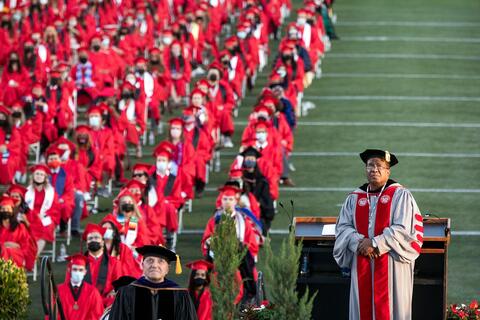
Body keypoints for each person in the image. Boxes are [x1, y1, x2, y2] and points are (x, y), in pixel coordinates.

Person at [333, 149, 424, 320]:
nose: (374, 169)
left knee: (392, 311)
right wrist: (360, 243)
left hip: (391, 264)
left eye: (379, 166)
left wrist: (375, 243)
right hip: (362, 260)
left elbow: (404, 229)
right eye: (370, 165)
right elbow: (343, 228)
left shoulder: (400, 195)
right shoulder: (354, 197)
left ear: (388, 171)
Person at [109, 245, 197, 319]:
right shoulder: (126, 293)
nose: (154, 265)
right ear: (142, 265)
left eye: (161, 261)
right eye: (150, 260)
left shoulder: (180, 295)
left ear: (167, 269)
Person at [57, 254, 105, 320]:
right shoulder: (59, 290)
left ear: (85, 272)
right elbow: (53, 313)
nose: (77, 272)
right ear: (69, 270)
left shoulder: (93, 292)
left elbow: (96, 315)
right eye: (75, 269)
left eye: (80, 270)